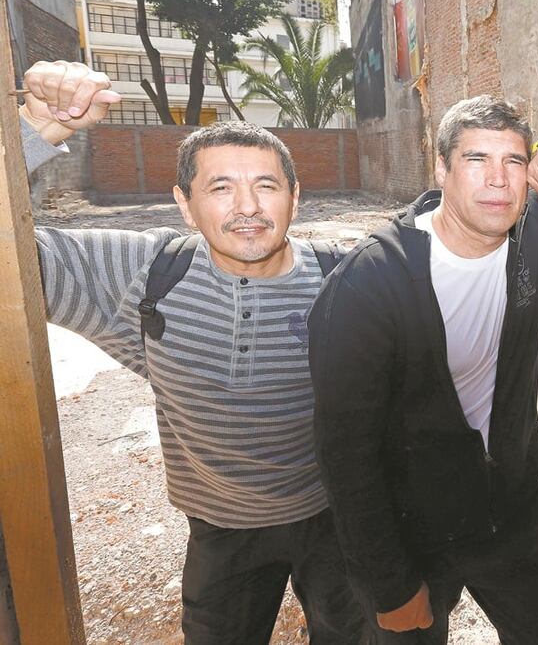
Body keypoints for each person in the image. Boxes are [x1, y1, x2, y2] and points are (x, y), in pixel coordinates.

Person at [20, 60, 368, 644]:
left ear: (295, 197)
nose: (248, 207)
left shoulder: (348, 277)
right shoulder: (143, 272)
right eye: (220, 187)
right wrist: (33, 130)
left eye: (265, 185)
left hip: (334, 517)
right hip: (220, 527)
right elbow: (10, 256)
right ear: (184, 203)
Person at [307, 95, 538, 644]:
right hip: (414, 529)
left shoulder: (535, 239)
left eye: (514, 162)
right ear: (441, 169)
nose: (498, 180)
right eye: (477, 160)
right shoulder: (370, 284)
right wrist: (389, 585)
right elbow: (345, 454)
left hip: (511, 509)